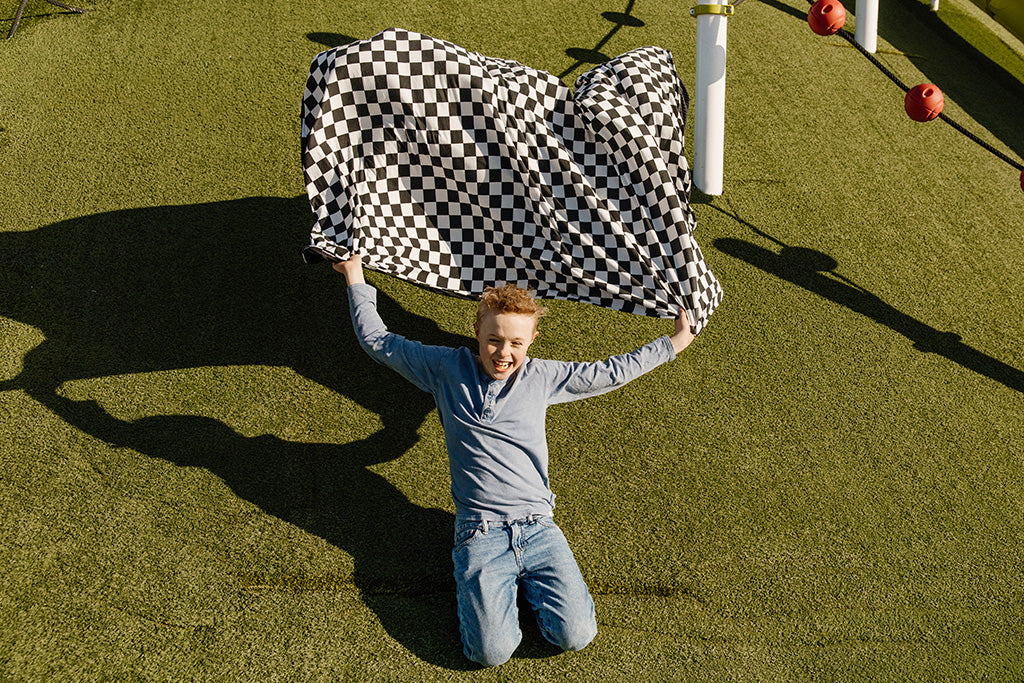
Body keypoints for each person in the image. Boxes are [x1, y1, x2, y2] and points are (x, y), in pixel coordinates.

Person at [333, 253, 695, 666]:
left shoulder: (543, 377)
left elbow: (609, 371)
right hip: (480, 532)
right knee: (490, 653)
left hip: (539, 528)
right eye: (494, 340)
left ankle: (521, 589)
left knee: (576, 635)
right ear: (477, 332)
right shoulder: (445, 369)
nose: (504, 353)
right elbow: (378, 341)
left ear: (532, 340)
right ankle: (487, 590)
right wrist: (355, 275)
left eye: (516, 343)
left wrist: (674, 342)